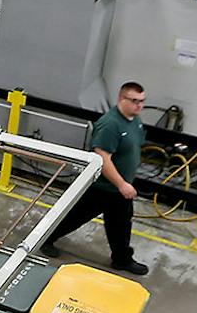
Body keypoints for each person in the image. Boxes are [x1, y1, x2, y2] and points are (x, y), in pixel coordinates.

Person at [43, 81, 152, 276]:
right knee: (75, 216)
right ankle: (44, 238)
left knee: (121, 224)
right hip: (102, 187)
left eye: (142, 101)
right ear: (121, 99)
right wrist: (122, 184)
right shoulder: (111, 124)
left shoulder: (135, 120)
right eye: (135, 101)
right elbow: (102, 157)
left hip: (118, 189)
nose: (139, 105)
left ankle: (121, 259)